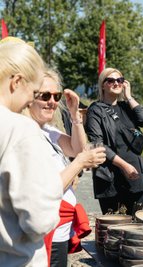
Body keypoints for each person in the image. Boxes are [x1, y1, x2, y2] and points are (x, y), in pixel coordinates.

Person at [26, 69, 106, 267]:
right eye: (45, 96)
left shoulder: (47, 130)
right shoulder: (27, 134)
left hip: (59, 225)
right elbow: (48, 188)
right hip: (45, 228)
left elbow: (77, 148)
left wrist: (75, 116)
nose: (52, 101)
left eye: (56, 96)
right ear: (28, 97)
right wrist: (80, 162)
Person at [0, 40, 63, 266]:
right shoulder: (20, 129)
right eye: (35, 92)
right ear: (16, 81)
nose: (30, 101)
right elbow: (38, 221)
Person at [85, 67, 143, 215]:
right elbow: (98, 144)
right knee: (113, 229)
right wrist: (123, 166)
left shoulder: (126, 107)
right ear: (103, 84)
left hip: (134, 176)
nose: (116, 83)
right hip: (110, 178)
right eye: (111, 80)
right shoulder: (95, 110)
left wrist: (129, 97)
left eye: (120, 80)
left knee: (137, 225)